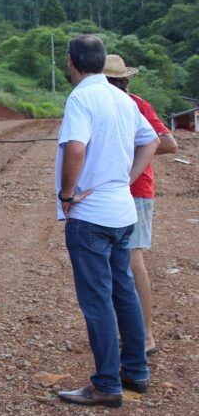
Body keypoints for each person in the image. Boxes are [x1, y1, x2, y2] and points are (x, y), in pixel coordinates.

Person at [55, 35, 159, 407]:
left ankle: (106, 384)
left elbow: (76, 147)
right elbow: (152, 141)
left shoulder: (81, 97)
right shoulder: (123, 99)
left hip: (92, 214)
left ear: (71, 61)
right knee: (123, 291)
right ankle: (136, 371)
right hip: (122, 211)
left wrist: (67, 195)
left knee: (97, 299)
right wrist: (127, 179)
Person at [103, 54, 179, 356]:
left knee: (132, 260)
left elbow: (168, 143)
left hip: (134, 191)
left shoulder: (136, 104)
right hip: (112, 193)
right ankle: (132, 332)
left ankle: (146, 336)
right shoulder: (105, 104)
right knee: (116, 263)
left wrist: (128, 157)